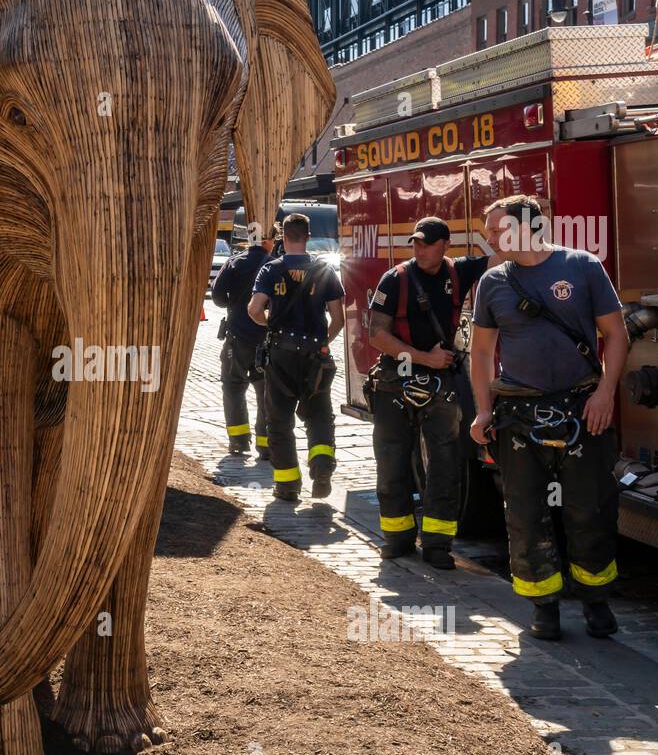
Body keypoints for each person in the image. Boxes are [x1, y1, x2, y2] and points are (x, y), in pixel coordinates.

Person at [469, 196, 628, 641]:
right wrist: (483, 410)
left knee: (591, 507)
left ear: (529, 226)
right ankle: (544, 608)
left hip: (582, 409)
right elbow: (481, 352)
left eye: (497, 228)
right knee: (525, 512)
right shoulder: (493, 283)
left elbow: (615, 334)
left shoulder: (582, 267)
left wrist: (604, 393)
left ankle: (596, 602)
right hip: (519, 415)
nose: (490, 237)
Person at [367, 217, 500, 569]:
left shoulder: (460, 272)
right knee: (393, 460)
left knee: (445, 465)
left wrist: (509, 227)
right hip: (397, 380)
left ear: (445, 245)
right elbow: (376, 334)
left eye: (426, 243)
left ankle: (438, 545)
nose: (419, 249)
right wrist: (424, 357)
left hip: (442, 385)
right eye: (415, 243)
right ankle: (397, 540)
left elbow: (505, 256)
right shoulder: (394, 280)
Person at [247, 212, 346, 502]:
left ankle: (288, 485)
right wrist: (321, 342)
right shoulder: (325, 270)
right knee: (319, 414)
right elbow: (338, 318)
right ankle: (322, 466)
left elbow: (254, 309)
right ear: (308, 237)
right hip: (316, 354)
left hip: (280, 354)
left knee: (279, 420)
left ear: (283, 237)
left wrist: (272, 327)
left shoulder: (270, 269)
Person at [211, 222, 276, 459]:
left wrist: (235, 305)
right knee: (266, 392)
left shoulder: (234, 262)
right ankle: (265, 445)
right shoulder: (274, 266)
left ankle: (238, 442)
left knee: (233, 387)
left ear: (250, 239)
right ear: (271, 240)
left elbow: (217, 297)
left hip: (236, 337)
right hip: (266, 340)